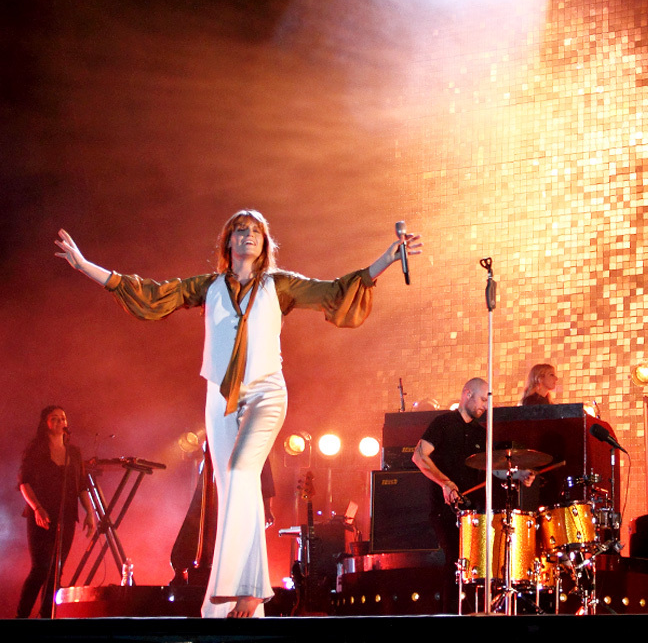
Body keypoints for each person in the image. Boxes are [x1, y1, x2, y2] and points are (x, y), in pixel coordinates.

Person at [56, 210, 419, 618]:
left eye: (256, 231)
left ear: (264, 243)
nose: (248, 236)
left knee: (242, 471)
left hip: (266, 392)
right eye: (240, 230)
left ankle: (247, 591)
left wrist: (385, 260)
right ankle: (224, 604)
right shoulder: (207, 287)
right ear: (228, 242)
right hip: (219, 395)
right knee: (231, 487)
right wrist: (85, 266)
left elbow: (335, 291)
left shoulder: (279, 285)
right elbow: (151, 295)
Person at [413, 378, 533, 610]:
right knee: (455, 561)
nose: (485, 407)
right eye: (482, 400)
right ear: (467, 394)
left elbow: (492, 468)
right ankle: (450, 614)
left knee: (476, 566)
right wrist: (445, 483)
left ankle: (473, 611)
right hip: (445, 509)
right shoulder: (443, 423)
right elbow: (419, 456)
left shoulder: (480, 433)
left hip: (472, 511)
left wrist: (518, 474)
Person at [16, 406, 96, 618]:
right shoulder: (36, 450)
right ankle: (20, 617)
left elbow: (81, 486)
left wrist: (90, 512)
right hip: (41, 516)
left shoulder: (74, 452)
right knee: (40, 569)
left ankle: (47, 616)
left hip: (66, 517)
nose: (61, 421)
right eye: (55, 418)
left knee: (56, 571)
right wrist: (37, 508)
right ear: (46, 424)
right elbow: (24, 483)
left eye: (63, 418)